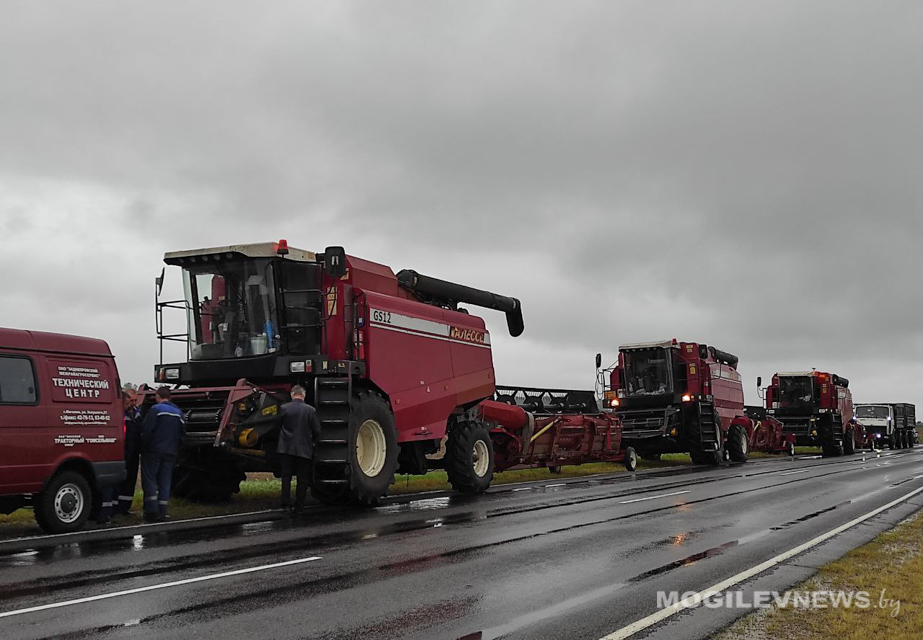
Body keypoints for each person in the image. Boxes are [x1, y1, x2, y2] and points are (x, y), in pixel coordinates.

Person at [140, 387, 185, 523]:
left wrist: (142, 447)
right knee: (165, 482)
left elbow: (147, 430)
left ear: (157, 396)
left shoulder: (156, 410)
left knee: (150, 480)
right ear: (169, 397)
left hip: (154, 451)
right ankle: (163, 511)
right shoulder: (179, 413)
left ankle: (152, 512)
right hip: (170, 452)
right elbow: (182, 434)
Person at [277, 385, 321, 515]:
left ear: (292, 395)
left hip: (285, 448)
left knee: (286, 477)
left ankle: (285, 505)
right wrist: (312, 441)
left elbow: (277, 427)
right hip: (304, 448)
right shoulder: (310, 410)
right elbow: (317, 430)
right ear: (304, 395)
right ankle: (299, 506)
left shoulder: (284, 408)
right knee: (302, 478)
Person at [115, 386, 143, 516]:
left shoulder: (137, 413)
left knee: (131, 480)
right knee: (121, 480)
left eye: (135, 400)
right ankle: (116, 508)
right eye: (131, 401)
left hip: (134, 452)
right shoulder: (120, 413)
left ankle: (125, 508)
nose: (133, 403)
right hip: (124, 451)